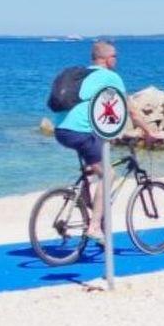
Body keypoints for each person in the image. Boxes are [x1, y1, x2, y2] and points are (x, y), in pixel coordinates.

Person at [53, 39, 126, 220]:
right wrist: (148, 132)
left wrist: (109, 129)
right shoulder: (111, 77)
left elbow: (102, 106)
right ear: (106, 59)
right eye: (115, 56)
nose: (116, 59)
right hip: (79, 132)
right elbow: (129, 108)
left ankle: (85, 195)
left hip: (60, 130)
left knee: (93, 162)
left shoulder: (84, 75)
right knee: (108, 175)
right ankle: (94, 227)